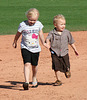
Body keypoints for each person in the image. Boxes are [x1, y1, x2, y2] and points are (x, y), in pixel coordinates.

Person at [13, 8, 46, 90]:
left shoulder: (38, 24)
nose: (32, 22)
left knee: (34, 65)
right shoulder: (22, 24)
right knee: (27, 64)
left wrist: (43, 42)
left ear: (37, 19)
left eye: (34, 20)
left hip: (36, 48)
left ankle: (34, 78)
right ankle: (26, 82)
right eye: (30, 20)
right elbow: (18, 34)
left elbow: (41, 33)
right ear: (27, 17)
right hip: (25, 47)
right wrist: (15, 41)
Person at [45, 14, 79, 86]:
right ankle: (58, 80)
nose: (63, 26)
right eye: (61, 24)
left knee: (66, 65)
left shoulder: (67, 32)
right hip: (54, 52)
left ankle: (67, 70)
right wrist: (47, 43)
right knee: (56, 66)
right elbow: (48, 38)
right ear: (55, 25)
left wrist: (75, 50)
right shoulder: (52, 33)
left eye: (64, 24)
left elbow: (71, 42)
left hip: (64, 52)